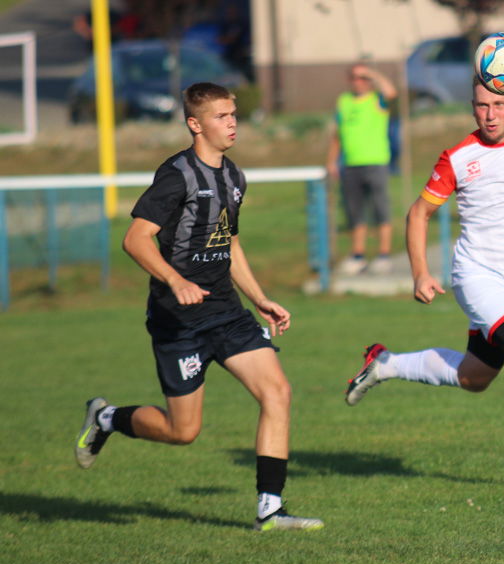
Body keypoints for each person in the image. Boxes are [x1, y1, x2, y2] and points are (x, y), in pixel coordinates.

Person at [74, 82, 323, 532]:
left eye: (234, 114)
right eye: (222, 116)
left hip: (226, 312)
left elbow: (228, 242)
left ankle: (270, 509)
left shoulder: (234, 178)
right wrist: (175, 280)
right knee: (182, 432)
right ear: (195, 124)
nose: (232, 123)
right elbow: (134, 239)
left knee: (278, 392)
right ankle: (107, 417)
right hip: (179, 320)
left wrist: (259, 297)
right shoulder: (176, 175)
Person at [343, 79, 504, 490]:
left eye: (498, 104)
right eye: (481, 106)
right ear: (472, 108)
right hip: (475, 275)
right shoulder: (459, 157)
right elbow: (418, 214)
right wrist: (421, 271)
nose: (490, 114)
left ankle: (385, 363)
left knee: (474, 377)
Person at [326, 63, 397, 275]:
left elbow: (391, 92)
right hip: (350, 164)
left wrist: (373, 74)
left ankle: (384, 254)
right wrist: (332, 160)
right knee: (354, 211)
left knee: (379, 208)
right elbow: (338, 134)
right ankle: (358, 254)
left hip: (375, 161)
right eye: (355, 77)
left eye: (363, 77)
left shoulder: (377, 99)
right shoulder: (344, 101)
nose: (359, 81)